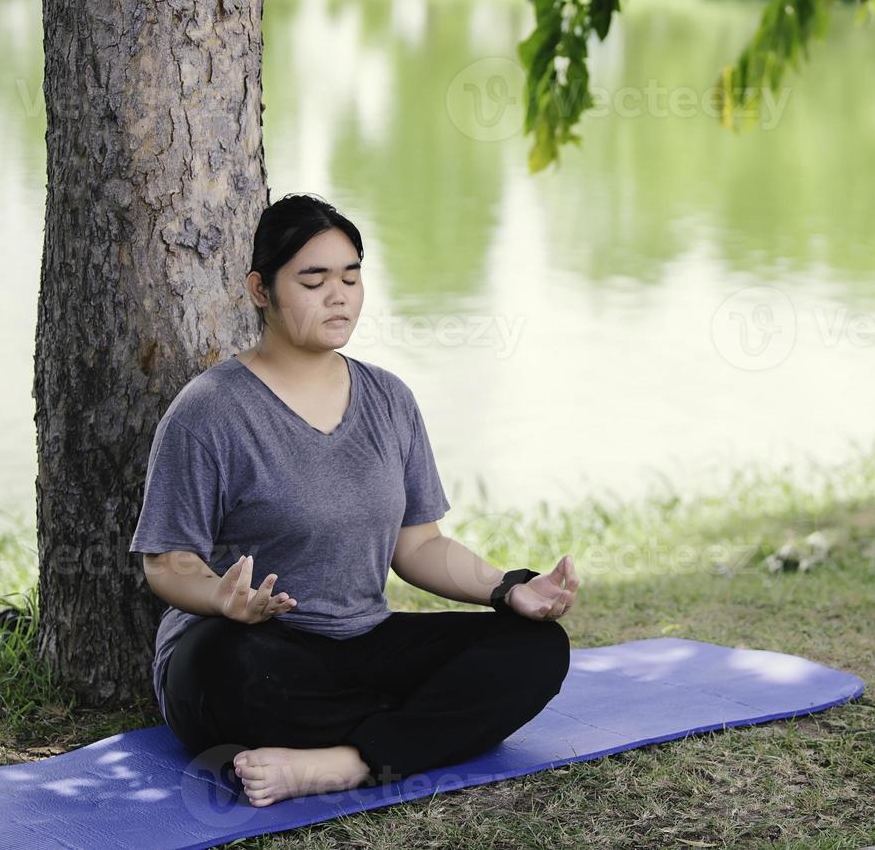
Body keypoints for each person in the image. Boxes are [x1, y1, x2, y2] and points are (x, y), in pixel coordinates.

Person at [129, 193, 580, 807]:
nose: (338, 295)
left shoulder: (389, 399)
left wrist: (508, 588)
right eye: (313, 280)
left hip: (362, 642)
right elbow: (167, 561)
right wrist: (218, 597)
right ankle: (412, 729)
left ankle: (340, 763)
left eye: (351, 276)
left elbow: (418, 544)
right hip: (253, 654)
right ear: (261, 290)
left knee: (536, 649)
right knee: (225, 667)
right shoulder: (209, 411)